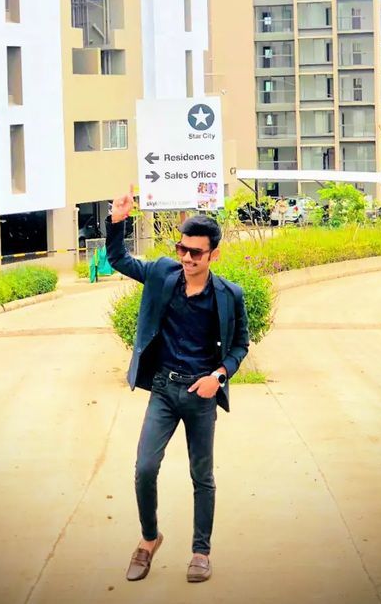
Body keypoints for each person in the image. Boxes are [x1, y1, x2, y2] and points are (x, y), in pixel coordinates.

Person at [106, 186, 250, 584]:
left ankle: (201, 551)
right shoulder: (161, 274)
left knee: (201, 476)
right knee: (145, 468)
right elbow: (117, 259)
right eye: (182, 249)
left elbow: (240, 345)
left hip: (201, 395)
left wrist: (218, 377)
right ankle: (149, 538)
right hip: (164, 390)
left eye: (196, 253)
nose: (187, 258)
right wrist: (118, 220)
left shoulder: (229, 295)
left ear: (213, 255)